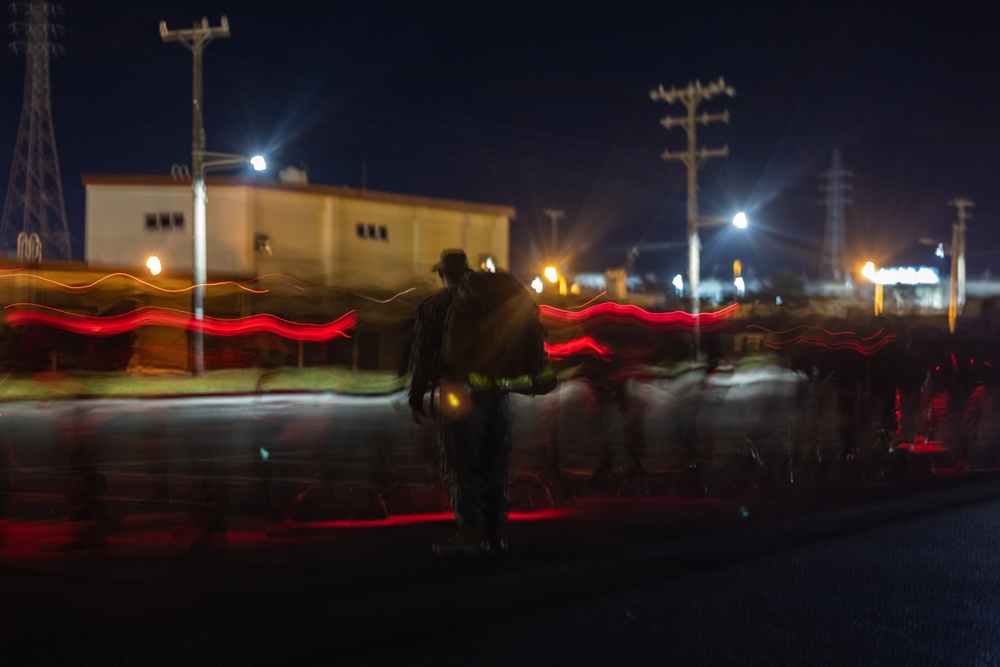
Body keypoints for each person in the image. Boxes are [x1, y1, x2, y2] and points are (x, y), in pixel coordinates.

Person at [408, 249, 513, 556]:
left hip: (458, 394)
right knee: (495, 462)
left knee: (460, 462)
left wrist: (416, 398)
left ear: (442, 274)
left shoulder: (433, 307)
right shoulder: (492, 306)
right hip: (498, 394)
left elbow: (423, 358)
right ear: (467, 272)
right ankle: (495, 534)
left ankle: (471, 532)